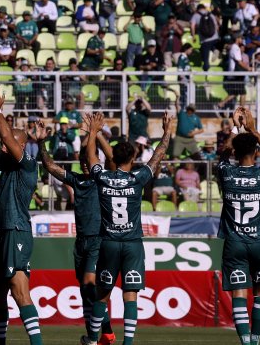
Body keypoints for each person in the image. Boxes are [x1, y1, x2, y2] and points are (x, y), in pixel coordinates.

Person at [82, 111, 172, 345]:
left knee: (102, 295)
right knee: (130, 296)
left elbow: (92, 158)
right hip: (132, 244)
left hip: (109, 243)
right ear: (133, 157)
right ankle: (128, 342)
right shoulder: (139, 178)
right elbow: (159, 154)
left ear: (111, 157)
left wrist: (93, 132)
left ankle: (92, 338)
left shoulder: (102, 178)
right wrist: (167, 132)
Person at [37, 117, 116, 345]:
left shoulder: (104, 181)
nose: (84, 164)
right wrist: (42, 144)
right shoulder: (78, 181)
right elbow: (51, 167)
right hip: (80, 242)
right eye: (81, 161)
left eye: (87, 160)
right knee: (85, 292)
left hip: (98, 240)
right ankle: (99, 334)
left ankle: (102, 333)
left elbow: (111, 158)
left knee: (89, 286)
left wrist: (94, 133)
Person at [0, 86, 44, 345]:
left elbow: (6, 139)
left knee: (19, 290)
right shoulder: (6, 164)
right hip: (4, 232)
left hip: (17, 229)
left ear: (22, 145)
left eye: (10, 144)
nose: (4, 149)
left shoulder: (27, 164)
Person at [217, 107, 260, 345]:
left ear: (236, 152)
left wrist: (235, 128)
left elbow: (223, 155)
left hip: (235, 243)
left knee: (238, 295)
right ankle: (256, 340)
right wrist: (252, 129)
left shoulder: (227, 173)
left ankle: (245, 342)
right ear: (255, 151)